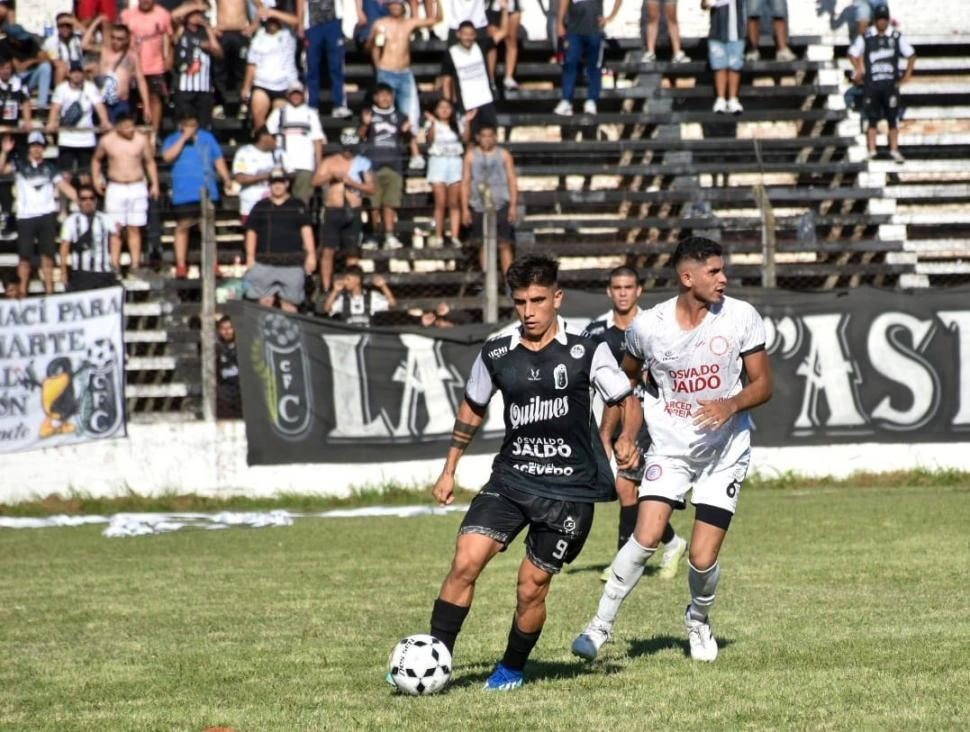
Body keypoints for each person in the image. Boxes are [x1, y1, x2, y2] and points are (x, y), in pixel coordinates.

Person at [424, 253, 639, 691]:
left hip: (569, 491)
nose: (528, 311)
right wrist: (449, 469)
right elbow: (473, 407)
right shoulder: (497, 353)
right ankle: (431, 660)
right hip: (512, 478)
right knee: (465, 561)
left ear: (557, 298)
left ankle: (511, 668)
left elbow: (625, 397)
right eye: (520, 302)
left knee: (531, 587)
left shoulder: (587, 350)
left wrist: (625, 439)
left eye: (537, 300)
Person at [571, 236, 773, 664]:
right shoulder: (649, 327)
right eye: (714, 271)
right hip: (669, 449)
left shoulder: (740, 317)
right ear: (688, 277)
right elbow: (624, 383)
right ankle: (599, 626)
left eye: (722, 270)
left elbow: (764, 384)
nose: (724, 278)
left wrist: (731, 404)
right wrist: (626, 433)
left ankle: (698, 619)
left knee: (702, 557)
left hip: (725, 451)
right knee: (645, 537)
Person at [583, 266, 686, 582]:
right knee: (636, 492)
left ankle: (622, 564)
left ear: (639, 290)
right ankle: (672, 542)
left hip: (650, 418)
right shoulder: (595, 332)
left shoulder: (653, 326)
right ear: (609, 291)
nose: (623, 292)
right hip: (612, 417)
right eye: (617, 287)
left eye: (629, 286)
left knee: (627, 489)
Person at [0, 132, 78, 295]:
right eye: (33, 146)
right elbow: (1, 171)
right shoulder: (19, 164)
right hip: (25, 216)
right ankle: (23, 292)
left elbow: (65, 187)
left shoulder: (51, 168)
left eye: (39, 146)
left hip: (46, 215)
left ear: (43, 148)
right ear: (29, 148)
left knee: (47, 257)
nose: (36, 149)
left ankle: (49, 292)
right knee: (24, 258)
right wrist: (5, 152)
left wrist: (81, 200)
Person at [367, 0, 441, 169]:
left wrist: (437, 2)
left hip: (404, 72)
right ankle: (383, 151)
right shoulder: (380, 24)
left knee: (409, 115)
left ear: (403, 7)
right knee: (385, 113)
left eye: (398, 4)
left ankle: (415, 153)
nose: (395, 7)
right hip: (386, 71)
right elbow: (370, 48)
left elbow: (435, 20)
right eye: (392, 4)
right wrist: (378, 65)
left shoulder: (410, 23)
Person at [162, 112, 232, 278]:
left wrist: (226, 178)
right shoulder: (172, 139)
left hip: (207, 190)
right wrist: (183, 139)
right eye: (187, 125)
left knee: (207, 228)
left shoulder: (207, 138)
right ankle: (181, 265)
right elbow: (167, 157)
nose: (190, 128)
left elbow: (218, 159)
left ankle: (212, 264)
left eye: (193, 125)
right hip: (183, 192)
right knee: (183, 226)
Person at [92, 112, 160, 271]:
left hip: (137, 185)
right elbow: (96, 160)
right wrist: (96, 180)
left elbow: (150, 162)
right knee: (115, 228)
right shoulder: (107, 141)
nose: (130, 129)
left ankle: (135, 264)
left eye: (132, 126)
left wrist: (154, 183)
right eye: (126, 127)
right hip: (116, 186)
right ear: (118, 127)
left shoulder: (141, 139)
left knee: (134, 227)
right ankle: (114, 264)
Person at [848, 4, 915, 163]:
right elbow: (852, 53)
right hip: (872, 84)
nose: (882, 22)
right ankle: (872, 150)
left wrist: (907, 75)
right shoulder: (867, 36)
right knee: (871, 118)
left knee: (893, 118)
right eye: (879, 19)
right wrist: (859, 69)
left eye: (884, 19)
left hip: (890, 84)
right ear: (875, 20)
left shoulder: (896, 37)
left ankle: (894, 150)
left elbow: (911, 55)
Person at [243, 167, 316, 311]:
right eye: (274, 182)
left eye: (281, 182)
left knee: (290, 304)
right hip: (264, 262)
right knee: (264, 303)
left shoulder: (298, 205)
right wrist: (250, 257)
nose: (277, 186)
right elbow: (251, 232)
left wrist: (311, 255)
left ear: (287, 184)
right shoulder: (260, 206)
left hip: (292, 263)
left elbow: (306, 231)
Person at [311, 142, 376, 293]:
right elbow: (314, 181)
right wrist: (331, 175)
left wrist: (352, 183)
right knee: (328, 250)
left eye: (352, 150)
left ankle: (352, 286)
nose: (349, 153)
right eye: (346, 149)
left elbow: (371, 188)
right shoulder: (329, 162)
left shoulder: (362, 163)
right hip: (333, 211)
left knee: (352, 251)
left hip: (353, 210)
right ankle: (326, 287)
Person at [359, 82, 411, 251]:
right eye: (381, 95)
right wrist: (365, 124)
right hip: (372, 166)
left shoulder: (400, 116)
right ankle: (374, 236)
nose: (385, 98)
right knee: (374, 205)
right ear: (375, 98)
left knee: (390, 204)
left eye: (388, 95)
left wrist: (408, 130)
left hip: (394, 165)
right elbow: (359, 136)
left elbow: (409, 135)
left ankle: (389, 235)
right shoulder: (369, 114)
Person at [461, 123, 518, 276]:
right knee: (483, 243)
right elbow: (466, 182)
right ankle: (487, 278)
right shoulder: (471, 156)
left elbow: (512, 179)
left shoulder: (504, 155)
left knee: (504, 243)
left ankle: (509, 282)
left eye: (490, 136)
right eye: (484, 136)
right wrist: (465, 208)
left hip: (501, 202)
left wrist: (513, 205)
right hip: (478, 204)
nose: (487, 139)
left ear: (495, 137)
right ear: (479, 138)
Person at [46, 60, 111, 186]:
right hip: (67, 138)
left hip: (86, 139)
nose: (76, 75)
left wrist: (105, 121)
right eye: (73, 72)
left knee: (85, 176)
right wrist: (52, 122)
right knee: (65, 176)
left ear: (83, 74)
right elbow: (55, 108)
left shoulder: (90, 88)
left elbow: (99, 106)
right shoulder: (62, 89)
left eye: (79, 72)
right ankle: (64, 205)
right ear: (69, 74)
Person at [554, 0, 622, 116]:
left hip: (594, 31)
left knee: (594, 66)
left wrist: (610, 18)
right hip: (574, 30)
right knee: (570, 63)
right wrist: (560, 22)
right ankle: (566, 100)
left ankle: (591, 100)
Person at [265, 81, 326, 204]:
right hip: (282, 166)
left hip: (305, 165)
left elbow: (317, 140)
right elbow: (268, 136)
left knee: (302, 201)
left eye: (298, 93)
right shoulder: (279, 113)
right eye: (293, 93)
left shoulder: (311, 114)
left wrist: (319, 165)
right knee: (281, 199)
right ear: (288, 95)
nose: (296, 96)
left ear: (303, 94)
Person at [241, 6, 300, 132]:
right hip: (263, 83)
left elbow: (297, 21)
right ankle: (261, 141)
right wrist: (246, 87)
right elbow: (252, 64)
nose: (272, 23)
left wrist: (273, 12)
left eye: (275, 20)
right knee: (258, 117)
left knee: (280, 122)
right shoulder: (259, 38)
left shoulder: (288, 33)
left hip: (285, 84)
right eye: (270, 20)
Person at [121, 0, 174, 136]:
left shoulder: (163, 14)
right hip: (132, 64)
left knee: (155, 98)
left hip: (155, 64)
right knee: (130, 98)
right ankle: (129, 130)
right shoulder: (127, 14)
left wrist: (168, 58)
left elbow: (169, 37)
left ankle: (154, 133)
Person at [84, 20, 152, 125]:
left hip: (121, 102)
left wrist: (146, 106)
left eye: (119, 39)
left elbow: (140, 80)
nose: (115, 41)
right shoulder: (104, 50)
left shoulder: (132, 56)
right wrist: (96, 22)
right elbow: (84, 45)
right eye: (113, 38)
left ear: (126, 40)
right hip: (103, 100)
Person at [171, 1, 223, 130]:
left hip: (204, 87)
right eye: (193, 14)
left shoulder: (206, 32)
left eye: (199, 14)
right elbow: (173, 15)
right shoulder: (181, 29)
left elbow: (219, 53)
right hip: (184, 86)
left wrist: (209, 30)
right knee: (184, 123)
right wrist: (197, 6)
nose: (197, 16)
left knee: (204, 125)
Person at [425, 97, 468, 249]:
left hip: (455, 162)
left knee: (454, 203)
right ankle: (438, 235)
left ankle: (455, 236)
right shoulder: (432, 123)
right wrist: (431, 124)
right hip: (438, 162)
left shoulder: (457, 124)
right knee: (440, 202)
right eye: (441, 107)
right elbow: (429, 139)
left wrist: (468, 121)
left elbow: (466, 139)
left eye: (447, 107)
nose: (444, 110)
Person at [59, 184, 120, 291]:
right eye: (84, 199)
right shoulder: (71, 221)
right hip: (81, 273)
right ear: (78, 201)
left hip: (103, 271)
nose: (88, 202)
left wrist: (115, 262)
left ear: (96, 201)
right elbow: (65, 246)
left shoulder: (105, 219)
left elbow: (115, 239)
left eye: (91, 198)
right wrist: (63, 271)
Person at [441, 21, 498, 134]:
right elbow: (446, 81)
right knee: (469, 139)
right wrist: (448, 103)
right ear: (458, 34)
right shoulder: (451, 53)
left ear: (475, 35)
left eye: (471, 34)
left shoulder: (481, 47)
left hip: (486, 100)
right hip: (466, 104)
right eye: (464, 34)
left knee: (490, 134)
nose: (468, 37)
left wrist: (504, 9)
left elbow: (503, 32)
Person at [302, 0, 352, 118]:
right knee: (312, 66)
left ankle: (339, 105)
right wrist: (300, 23)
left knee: (336, 66)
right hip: (312, 25)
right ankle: (312, 105)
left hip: (333, 23)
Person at [703, 0, 746, 115]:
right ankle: (721, 98)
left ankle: (733, 98)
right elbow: (704, 5)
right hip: (716, 31)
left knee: (735, 64)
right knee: (719, 64)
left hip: (736, 31)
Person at [213, 0, 253, 119]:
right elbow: (203, 5)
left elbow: (261, 7)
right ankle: (219, 103)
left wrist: (254, 26)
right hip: (222, 32)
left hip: (241, 32)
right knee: (219, 70)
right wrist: (211, 27)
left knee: (242, 71)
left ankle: (243, 104)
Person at [232, 125, 280, 224]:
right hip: (250, 206)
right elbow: (240, 178)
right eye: (274, 137)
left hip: (274, 207)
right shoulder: (245, 152)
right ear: (264, 137)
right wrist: (266, 176)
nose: (277, 141)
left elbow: (290, 174)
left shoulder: (280, 153)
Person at [324, 265, 396, 326]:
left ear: (357, 280)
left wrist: (383, 286)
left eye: (348, 279)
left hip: (366, 335)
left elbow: (392, 304)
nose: (345, 282)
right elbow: (327, 309)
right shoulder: (343, 298)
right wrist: (335, 291)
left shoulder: (371, 296)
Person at [43, 13, 85, 87]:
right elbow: (56, 62)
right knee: (61, 68)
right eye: (62, 26)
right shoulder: (51, 41)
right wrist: (71, 72)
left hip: (76, 68)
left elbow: (91, 39)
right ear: (58, 27)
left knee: (92, 68)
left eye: (68, 25)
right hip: (57, 72)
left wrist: (75, 22)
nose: (65, 28)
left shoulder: (76, 39)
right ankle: (57, 94)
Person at [216, 314, 242, 418]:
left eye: (230, 328)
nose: (227, 331)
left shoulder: (243, 346)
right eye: (223, 328)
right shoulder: (216, 349)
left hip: (242, 392)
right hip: (225, 394)